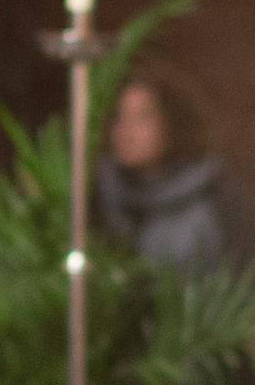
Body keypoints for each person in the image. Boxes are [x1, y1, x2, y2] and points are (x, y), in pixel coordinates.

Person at [96, 64, 244, 272]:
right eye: (119, 117)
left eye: (142, 118)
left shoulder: (205, 207)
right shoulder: (101, 194)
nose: (126, 131)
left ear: (171, 125)